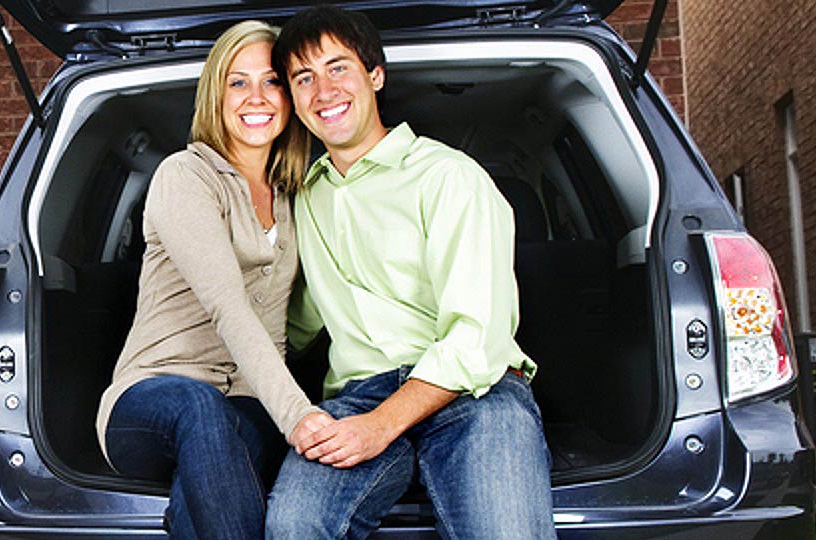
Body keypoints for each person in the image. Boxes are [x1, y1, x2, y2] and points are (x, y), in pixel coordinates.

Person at [263, 5, 554, 539]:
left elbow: (477, 336)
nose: (323, 90)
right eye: (304, 78)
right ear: (293, 99)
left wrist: (381, 426)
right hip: (355, 397)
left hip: (475, 395)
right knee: (293, 527)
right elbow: (293, 323)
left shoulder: (448, 178)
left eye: (338, 68)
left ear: (375, 75)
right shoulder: (303, 199)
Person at [96, 19, 321, 540]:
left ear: (289, 99)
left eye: (271, 82)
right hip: (152, 394)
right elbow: (228, 306)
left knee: (215, 459)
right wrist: (300, 417)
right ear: (215, 96)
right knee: (201, 409)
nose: (256, 97)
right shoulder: (184, 176)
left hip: (247, 403)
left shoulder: (294, 196)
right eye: (237, 82)